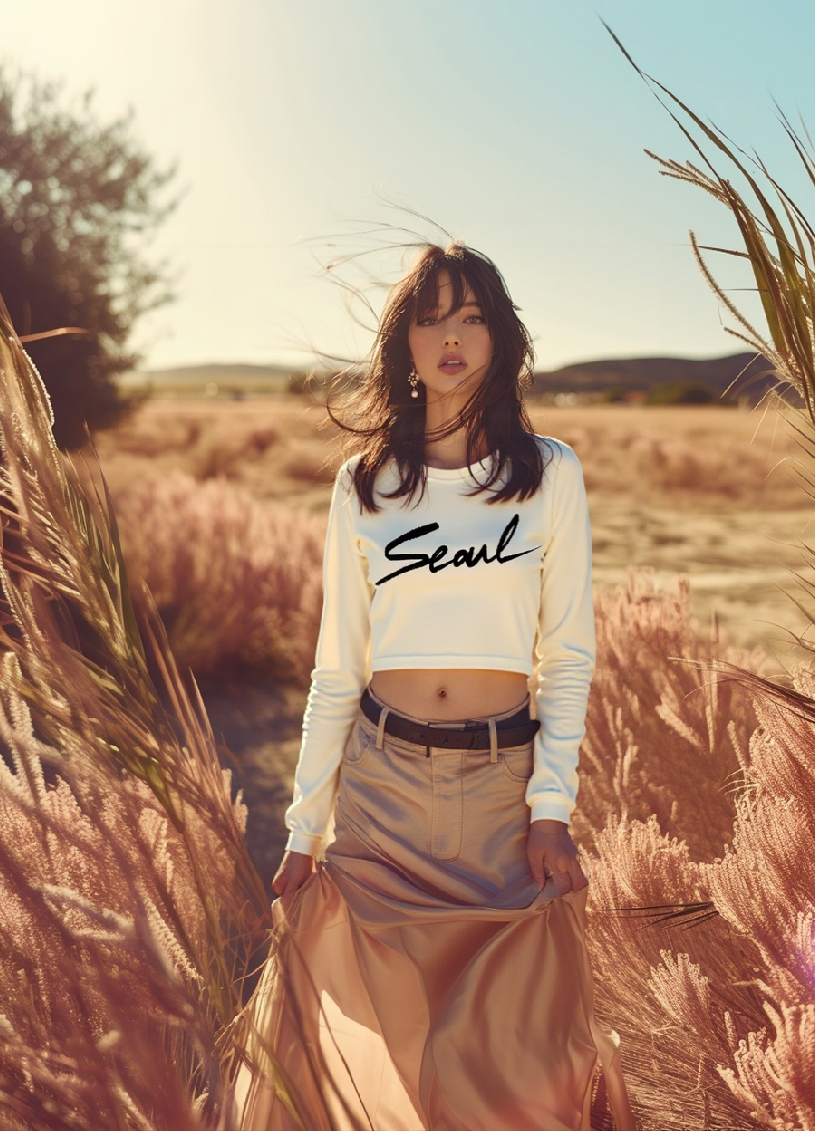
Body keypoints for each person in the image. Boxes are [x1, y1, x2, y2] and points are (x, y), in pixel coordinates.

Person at [231, 243, 635, 1131]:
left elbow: (567, 657)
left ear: (500, 337)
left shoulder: (548, 475)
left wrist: (550, 806)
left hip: (500, 797)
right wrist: (306, 825)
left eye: (471, 316)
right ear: (403, 344)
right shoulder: (366, 484)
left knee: (503, 1061)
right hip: (383, 795)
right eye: (429, 317)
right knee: (376, 1038)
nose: (450, 336)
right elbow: (337, 667)